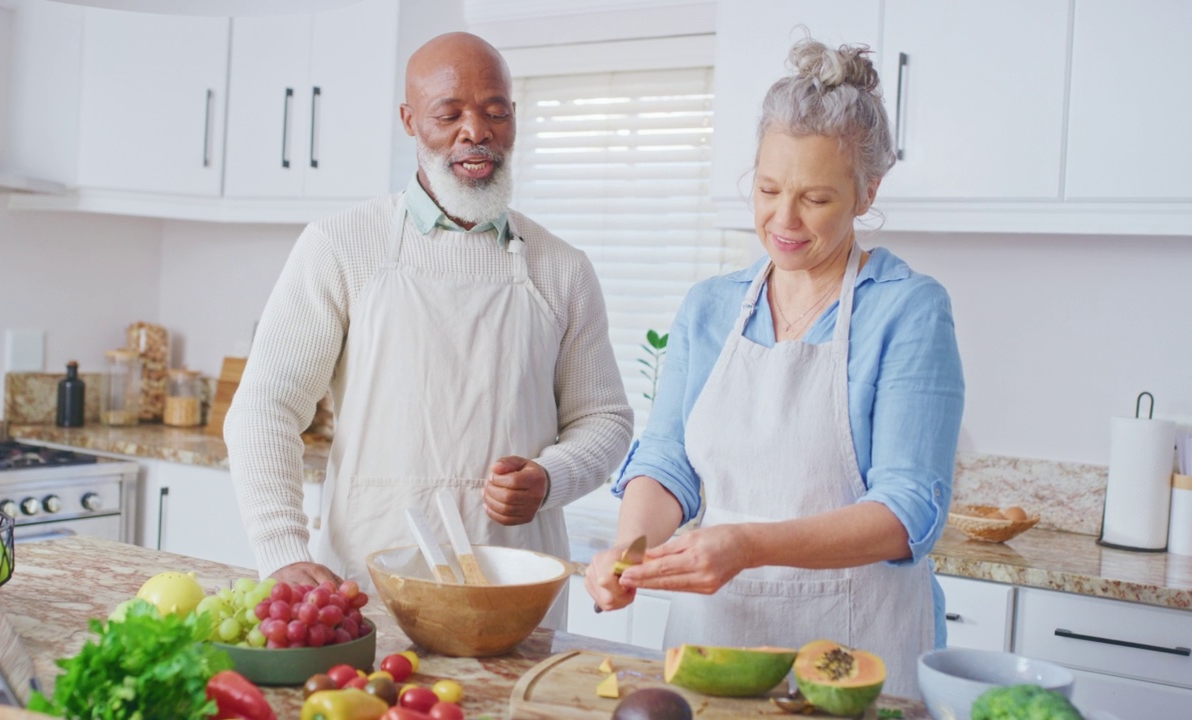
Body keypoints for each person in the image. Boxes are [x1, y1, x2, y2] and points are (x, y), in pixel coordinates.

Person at [584, 38, 964, 698]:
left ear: (868, 191)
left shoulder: (907, 311)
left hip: (853, 652)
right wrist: (631, 549)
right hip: (712, 646)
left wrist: (747, 546)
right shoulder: (710, 307)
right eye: (766, 189)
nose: (782, 220)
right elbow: (668, 460)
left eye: (815, 199)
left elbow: (908, 511)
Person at [225, 32, 633, 628]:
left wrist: (551, 477)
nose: (477, 132)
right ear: (410, 121)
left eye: (496, 112)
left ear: (514, 118)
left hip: (516, 598)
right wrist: (282, 551)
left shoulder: (561, 267)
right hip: (370, 593)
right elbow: (264, 407)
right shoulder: (340, 247)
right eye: (449, 114)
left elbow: (606, 418)